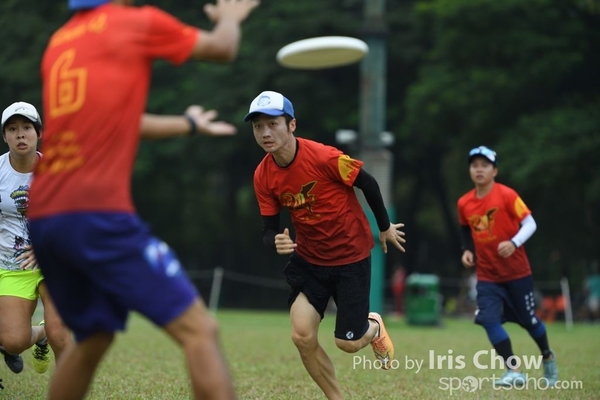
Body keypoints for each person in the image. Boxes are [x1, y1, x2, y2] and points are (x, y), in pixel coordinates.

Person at [28, 1, 258, 399]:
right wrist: (231, 17)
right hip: (95, 214)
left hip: (46, 215)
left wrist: (187, 124)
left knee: (93, 336)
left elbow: (117, 120)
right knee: (200, 330)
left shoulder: (60, 41)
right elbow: (223, 47)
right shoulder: (136, 23)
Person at [245, 90, 406, 400]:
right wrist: (275, 240)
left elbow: (367, 182)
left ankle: (373, 326)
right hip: (309, 261)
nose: (265, 133)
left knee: (348, 343)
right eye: (258, 126)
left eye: (273, 124)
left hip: (350, 258)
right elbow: (268, 229)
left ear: (292, 125)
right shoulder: (263, 175)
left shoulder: (324, 157)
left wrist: (384, 226)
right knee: (302, 336)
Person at [457, 145, 559, 387]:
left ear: (495, 171)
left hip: (516, 273)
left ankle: (548, 357)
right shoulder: (464, 203)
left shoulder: (507, 195)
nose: (479, 170)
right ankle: (513, 370)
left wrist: (514, 243)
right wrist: (467, 250)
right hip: (487, 275)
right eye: (474, 165)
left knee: (529, 321)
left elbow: (530, 223)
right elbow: (465, 229)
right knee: (488, 319)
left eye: (485, 165)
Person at [0, 101, 71, 375]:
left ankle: (68, 392)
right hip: (13, 265)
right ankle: (39, 335)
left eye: (27, 128)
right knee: (13, 342)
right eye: (12, 129)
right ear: (4, 136)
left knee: (60, 332)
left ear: (39, 133)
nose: (20, 134)